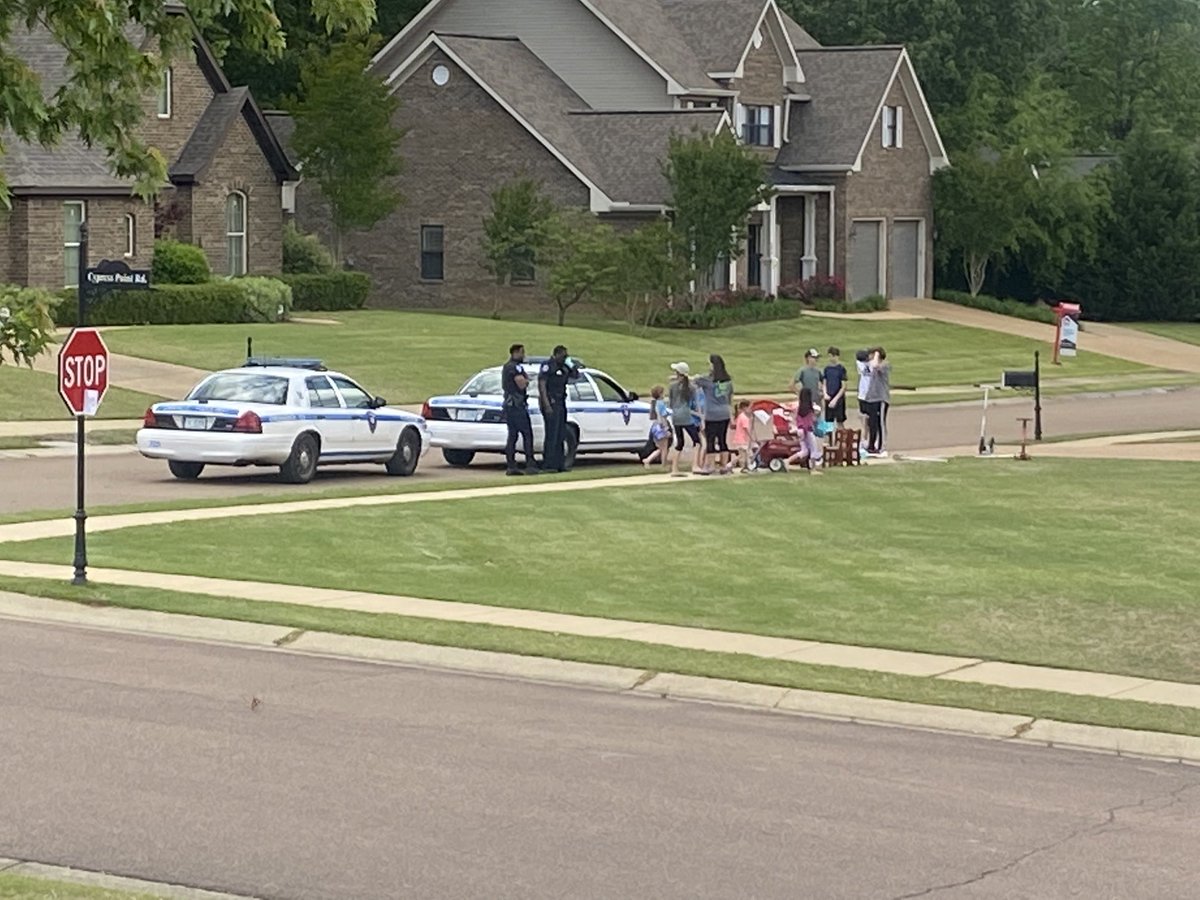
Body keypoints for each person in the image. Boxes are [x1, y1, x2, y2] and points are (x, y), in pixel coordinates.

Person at [694, 354, 734, 475]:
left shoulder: (707, 380)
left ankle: (710, 465)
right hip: (724, 413)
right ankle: (724, 465)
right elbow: (730, 399)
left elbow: (694, 380)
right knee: (722, 440)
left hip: (712, 414)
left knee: (711, 440)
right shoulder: (728, 381)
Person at [501, 343, 537, 476]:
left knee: (513, 435)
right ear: (515, 353)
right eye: (522, 352)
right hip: (516, 406)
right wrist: (527, 381)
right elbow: (521, 384)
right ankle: (530, 464)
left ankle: (511, 464)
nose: (524, 355)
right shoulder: (513, 367)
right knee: (527, 434)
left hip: (510, 406)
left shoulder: (509, 367)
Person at [538, 345, 573, 472]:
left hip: (561, 402)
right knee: (551, 435)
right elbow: (542, 385)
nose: (564, 358)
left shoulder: (564, 367)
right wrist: (546, 404)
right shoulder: (548, 366)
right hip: (550, 402)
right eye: (563, 356)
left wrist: (571, 364)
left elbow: (576, 375)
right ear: (556, 354)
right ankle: (548, 464)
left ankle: (559, 464)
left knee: (560, 434)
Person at [667, 362, 702, 477]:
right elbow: (696, 403)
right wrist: (700, 417)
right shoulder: (691, 387)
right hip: (686, 415)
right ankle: (695, 465)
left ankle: (674, 468)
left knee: (680, 443)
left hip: (676, 415)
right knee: (697, 441)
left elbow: (671, 403)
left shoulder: (672, 386)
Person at [785, 387, 822, 473]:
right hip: (807, 430)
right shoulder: (809, 408)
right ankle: (813, 469)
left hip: (800, 430)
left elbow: (798, 419)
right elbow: (811, 420)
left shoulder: (799, 408)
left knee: (804, 451)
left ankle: (787, 461)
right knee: (813, 449)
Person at [864, 347, 892, 456]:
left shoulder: (885, 365)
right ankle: (872, 446)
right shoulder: (872, 366)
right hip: (872, 398)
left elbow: (876, 365)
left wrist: (876, 354)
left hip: (881, 398)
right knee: (872, 423)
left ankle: (882, 447)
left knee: (880, 423)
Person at [642, 384, 672, 468]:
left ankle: (648, 460)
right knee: (664, 448)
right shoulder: (661, 404)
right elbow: (663, 417)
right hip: (661, 426)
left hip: (655, 426)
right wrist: (666, 429)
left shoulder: (655, 403)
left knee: (660, 448)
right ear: (660, 394)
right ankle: (663, 464)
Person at [822, 346, 848, 434]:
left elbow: (843, 386)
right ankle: (827, 442)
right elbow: (824, 383)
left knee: (840, 421)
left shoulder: (841, 369)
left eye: (832, 356)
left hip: (838, 398)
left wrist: (835, 399)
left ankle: (843, 441)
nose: (830, 358)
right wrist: (825, 393)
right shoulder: (827, 369)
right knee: (827, 422)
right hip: (829, 397)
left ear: (836, 356)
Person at [792, 348, 824, 416]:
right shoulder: (802, 371)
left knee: (817, 420)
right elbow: (791, 385)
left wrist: (822, 392)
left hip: (817, 400)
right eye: (815, 357)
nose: (816, 360)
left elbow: (824, 382)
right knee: (807, 421)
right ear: (809, 358)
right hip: (806, 402)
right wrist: (800, 395)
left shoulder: (818, 371)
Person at [855, 348, 872, 444]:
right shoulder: (862, 364)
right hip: (864, 395)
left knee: (866, 418)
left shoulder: (860, 364)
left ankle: (867, 438)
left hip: (867, 395)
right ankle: (866, 437)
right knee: (864, 417)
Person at [731, 399, 753, 473]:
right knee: (742, 455)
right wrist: (751, 437)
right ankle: (730, 465)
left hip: (739, 439)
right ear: (745, 408)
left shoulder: (740, 416)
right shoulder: (744, 418)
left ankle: (745, 467)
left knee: (744, 454)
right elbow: (746, 429)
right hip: (742, 439)